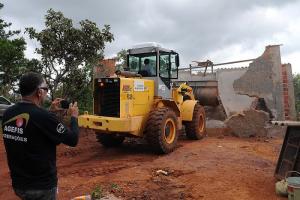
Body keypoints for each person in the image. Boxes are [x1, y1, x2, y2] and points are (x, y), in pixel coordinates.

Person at [1, 72, 79, 200]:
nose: (46, 93)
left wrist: (51, 113)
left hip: (19, 185)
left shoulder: (8, 113)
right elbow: (73, 140)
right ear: (39, 92)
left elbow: (35, 129)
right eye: (46, 89)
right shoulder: (43, 116)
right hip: (41, 187)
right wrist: (74, 117)